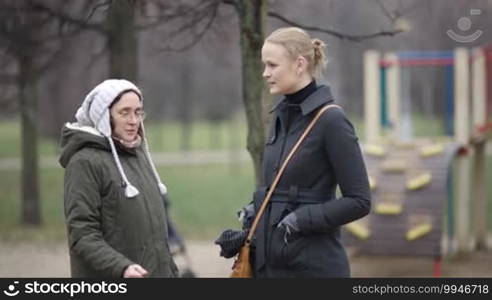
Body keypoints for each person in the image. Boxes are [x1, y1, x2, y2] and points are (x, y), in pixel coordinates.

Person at [216, 27, 371, 277]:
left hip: (315, 270)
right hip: (271, 269)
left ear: (299, 64)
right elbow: (280, 194)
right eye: (264, 65)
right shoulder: (279, 117)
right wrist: (252, 225)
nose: (265, 73)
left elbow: (360, 201)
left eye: (272, 65)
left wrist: (302, 219)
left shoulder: (332, 121)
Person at [59, 79, 178, 278]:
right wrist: (122, 268)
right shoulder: (84, 162)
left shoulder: (137, 154)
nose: (134, 120)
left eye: (138, 112)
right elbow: (82, 234)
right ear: (104, 116)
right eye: (125, 112)